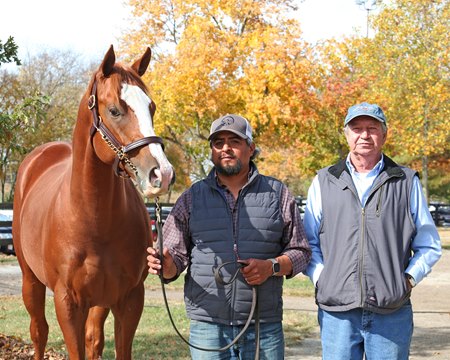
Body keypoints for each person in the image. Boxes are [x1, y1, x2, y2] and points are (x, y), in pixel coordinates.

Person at [147, 114, 311, 359]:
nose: (225, 148)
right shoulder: (192, 198)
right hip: (208, 326)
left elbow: (301, 251)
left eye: (234, 141)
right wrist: (166, 265)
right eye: (218, 142)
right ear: (212, 150)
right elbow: (173, 263)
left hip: (262, 326)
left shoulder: (278, 194)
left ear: (251, 148)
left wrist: (272, 266)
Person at [303, 102, 442, 360]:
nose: (364, 135)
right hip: (337, 312)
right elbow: (308, 241)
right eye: (357, 128)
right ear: (346, 134)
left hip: (391, 311)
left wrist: (408, 279)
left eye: (372, 128)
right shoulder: (324, 181)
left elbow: (429, 244)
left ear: (384, 134)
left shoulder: (405, 181)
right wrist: (322, 277)